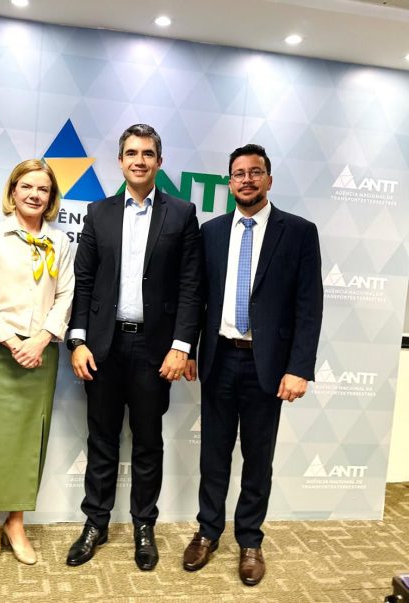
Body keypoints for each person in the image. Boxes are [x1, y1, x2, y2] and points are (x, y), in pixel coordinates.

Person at [182, 143, 323, 586]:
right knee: (214, 455)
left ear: (269, 179)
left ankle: (250, 541)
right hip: (219, 357)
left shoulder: (298, 232)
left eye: (255, 172)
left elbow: (309, 306)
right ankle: (208, 532)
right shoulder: (211, 231)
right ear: (229, 182)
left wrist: (299, 368)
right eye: (239, 173)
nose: (247, 180)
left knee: (258, 458)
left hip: (269, 365)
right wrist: (189, 349)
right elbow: (196, 297)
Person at [65, 124, 201, 571]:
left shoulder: (181, 213)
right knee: (101, 440)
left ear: (159, 161)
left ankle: (144, 526)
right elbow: (83, 282)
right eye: (131, 153)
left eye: (147, 153)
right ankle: (96, 524)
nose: (139, 160)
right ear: (120, 161)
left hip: (154, 350)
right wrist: (78, 340)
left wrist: (182, 346)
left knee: (147, 442)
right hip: (103, 348)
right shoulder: (98, 212)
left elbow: (191, 286)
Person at [0, 159, 74, 565]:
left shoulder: (60, 242)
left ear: (51, 197)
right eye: (27, 186)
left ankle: (16, 522)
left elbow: (65, 296)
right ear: (13, 190)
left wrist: (41, 340)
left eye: (43, 189)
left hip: (41, 356)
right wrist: (15, 344)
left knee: (31, 441)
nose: (34, 194)